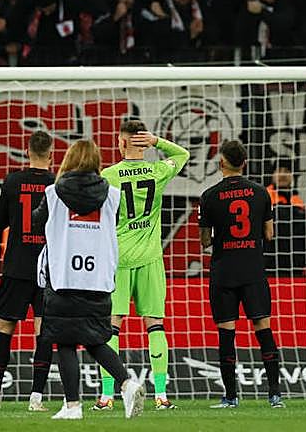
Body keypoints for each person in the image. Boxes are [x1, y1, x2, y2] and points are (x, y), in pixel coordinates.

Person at [32, 139, 145, 420]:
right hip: (98, 279)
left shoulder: (53, 193)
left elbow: (36, 222)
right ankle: (127, 383)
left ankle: (73, 406)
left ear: (69, 159)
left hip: (64, 278)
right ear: (97, 162)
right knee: (95, 340)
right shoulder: (113, 195)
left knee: (65, 342)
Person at [94, 120, 189, 411]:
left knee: (111, 327)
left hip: (118, 259)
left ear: (121, 143)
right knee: (155, 325)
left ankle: (108, 396)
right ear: (143, 143)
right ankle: (161, 395)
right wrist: (158, 141)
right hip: (150, 258)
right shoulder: (158, 171)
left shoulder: (107, 176)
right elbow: (183, 154)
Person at [198, 139, 283, 409]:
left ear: (221, 162)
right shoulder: (260, 193)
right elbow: (269, 234)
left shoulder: (209, 196)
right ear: (244, 163)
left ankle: (231, 397)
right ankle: (274, 395)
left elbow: (204, 242)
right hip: (253, 269)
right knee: (263, 329)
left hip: (224, 271)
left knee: (227, 333)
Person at [0, 131, 56, 413]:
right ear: (51, 154)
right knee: (43, 331)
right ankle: (36, 399)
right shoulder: (56, 184)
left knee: (4, 328)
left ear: (27, 151)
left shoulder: (12, 181)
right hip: (47, 269)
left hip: (16, 265)